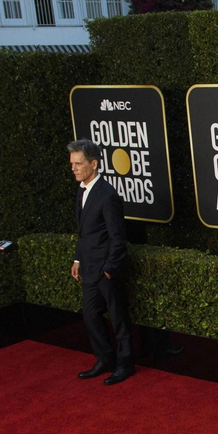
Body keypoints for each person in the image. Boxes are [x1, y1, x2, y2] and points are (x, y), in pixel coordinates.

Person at [68, 140, 134, 385]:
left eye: (78, 164)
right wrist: (77, 259)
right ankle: (105, 359)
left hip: (106, 271)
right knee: (90, 315)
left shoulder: (108, 195)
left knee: (118, 318)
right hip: (88, 267)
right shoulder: (82, 190)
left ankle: (125, 365)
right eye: (72, 164)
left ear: (93, 164)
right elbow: (85, 232)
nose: (73, 169)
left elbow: (118, 238)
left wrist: (109, 268)